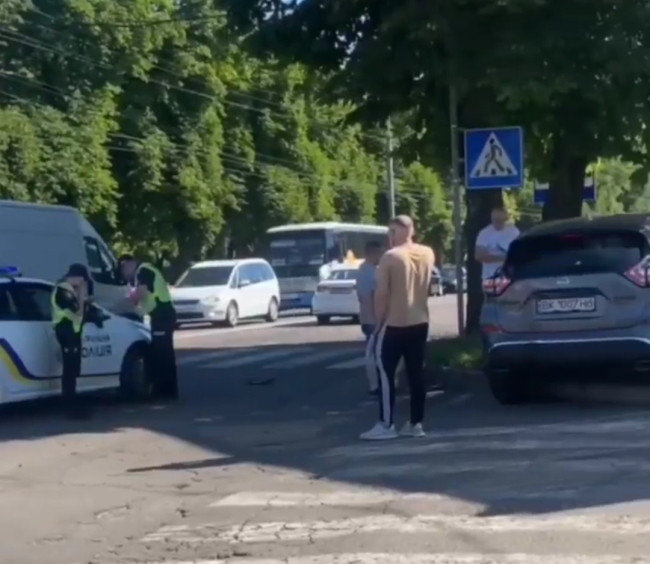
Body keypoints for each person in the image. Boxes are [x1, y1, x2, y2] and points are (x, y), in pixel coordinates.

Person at [360, 215, 434, 441]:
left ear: (405, 231)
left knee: (385, 373)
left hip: (393, 323)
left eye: (392, 231)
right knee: (416, 374)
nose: (389, 236)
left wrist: (377, 322)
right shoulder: (427, 253)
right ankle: (415, 423)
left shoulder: (390, 257)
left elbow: (381, 294)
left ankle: (386, 423)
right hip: (420, 320)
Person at [119, 255, 178, 399]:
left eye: (124, 267)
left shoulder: (143, 271)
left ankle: (164, 391)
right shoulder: (145, 270)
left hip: (162, 315)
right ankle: (167, 390)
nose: (124, 272)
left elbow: (142, 292)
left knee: (162, 353)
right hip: (161, 315)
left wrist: (127, 300)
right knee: (163, 352)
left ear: (132, 263)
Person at [51, 263, 96, 419]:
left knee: (73, 369)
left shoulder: (69, 290)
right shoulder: (63, 290)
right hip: (66, 332)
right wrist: (82, 295)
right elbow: (77, 311)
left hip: (73, 333)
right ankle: (69, 407)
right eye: (83, 281)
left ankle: (73, 403)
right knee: (69, 370)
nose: (84, 284)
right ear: (78, 278)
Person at [357, 240, 383, 395]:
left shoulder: (364, 270)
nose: (381, 256)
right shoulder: (370, 273)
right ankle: (376, 385)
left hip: (368, 318)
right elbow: (368, 298)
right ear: (372, 253)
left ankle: (377, 384)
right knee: (374, 353)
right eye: (379, 253)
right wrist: (375, 320)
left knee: (374, 352)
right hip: (373, 319)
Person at [474, 206, 520, 279]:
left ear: (505, 219)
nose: (498, 222)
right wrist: (504, 257)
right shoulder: (484, 233)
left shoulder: (513, 231)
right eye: (495, 219)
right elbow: (479, 255)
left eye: (501, 220)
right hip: (490, 276)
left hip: (509, 275)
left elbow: (519, 251)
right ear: (491, 219)